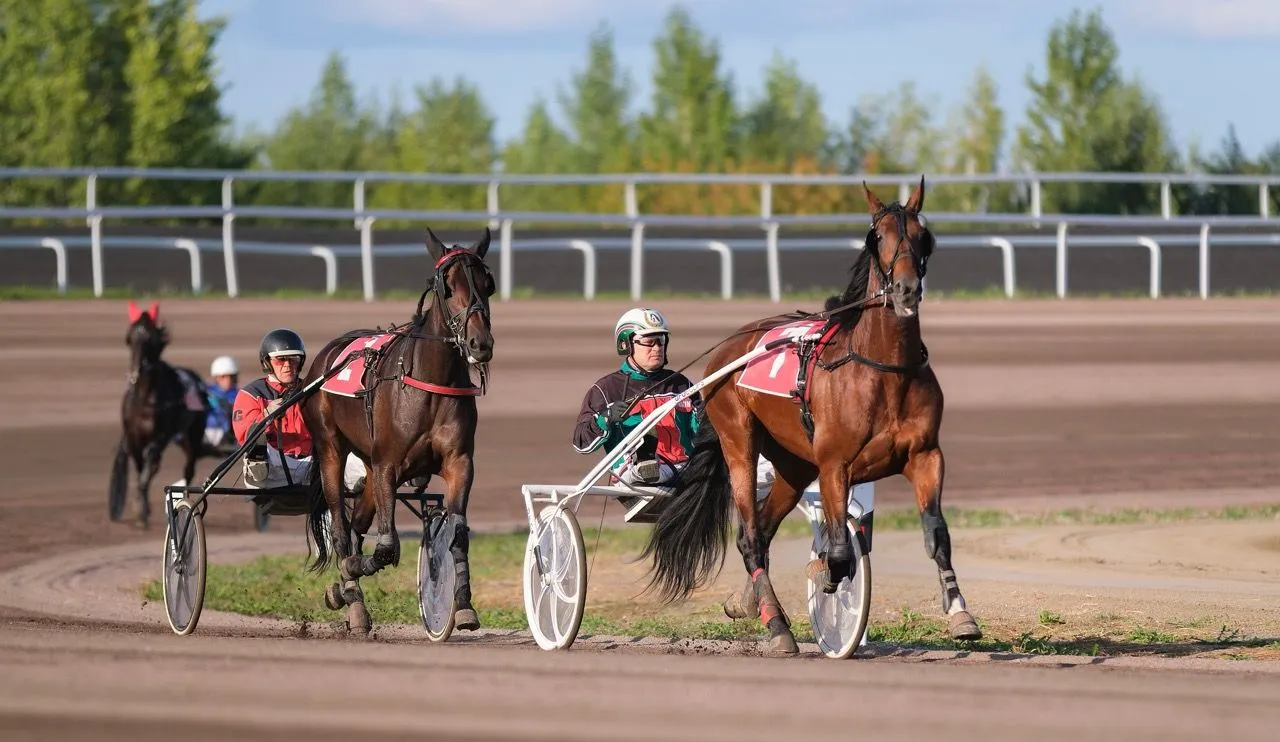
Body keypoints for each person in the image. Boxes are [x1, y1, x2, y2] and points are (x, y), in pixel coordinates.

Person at [572, 308, 699, 486]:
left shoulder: (681, 384)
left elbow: (702, 431)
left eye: (661, 341)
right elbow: (581, 443)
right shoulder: (606, 389)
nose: (657, 348)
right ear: (626, 344)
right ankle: (646, 461)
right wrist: (605, 418)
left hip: (686, 470)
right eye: (649, 342)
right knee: (645, 464)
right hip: (633, 476)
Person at [232, 328, 365, 492]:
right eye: (280, 360)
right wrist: (266, 416)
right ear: (267, 362)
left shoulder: (313, 391)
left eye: (293, 359)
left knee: (358, 458)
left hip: (314, 464)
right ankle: (258, 462)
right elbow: (244, 434)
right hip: (275, 465)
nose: (288, 365)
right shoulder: (251, 394)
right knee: (257, 443)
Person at [203, 355, 239, 450]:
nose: (228, 380)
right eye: (223, 376)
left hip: (231, 438)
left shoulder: (241, 395)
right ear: (216, 377)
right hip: (206, 434)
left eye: (231, 376)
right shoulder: (205, 392)